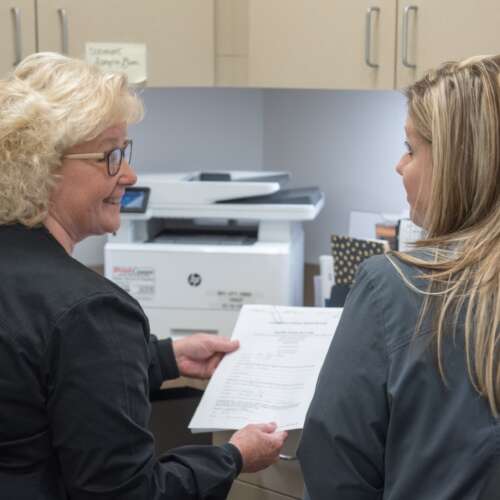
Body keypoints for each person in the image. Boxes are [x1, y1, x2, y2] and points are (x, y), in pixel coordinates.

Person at [0, 52, 287, 500]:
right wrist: (233, 456)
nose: (129, 175)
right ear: (45, 166)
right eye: (111, 156)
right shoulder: (90, 311)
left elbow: (33, 375)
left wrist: (164, 358)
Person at [298, 54, 500, 499]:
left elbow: (336, 471)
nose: (399, 165)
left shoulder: (393, 286)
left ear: (454, 162)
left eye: (410, 149)